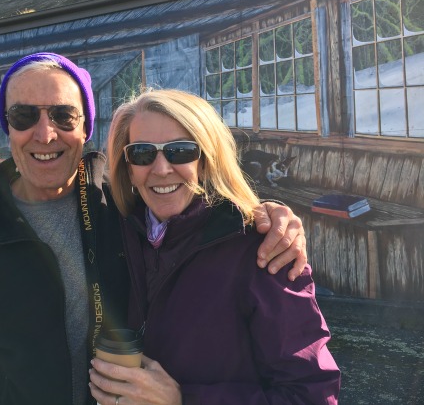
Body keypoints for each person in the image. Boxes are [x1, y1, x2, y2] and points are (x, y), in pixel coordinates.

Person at [0, 53, 308, 405]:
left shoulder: (123, 208)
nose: (45, 134)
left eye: (63, 115)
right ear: (6, 127)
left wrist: (267, 215)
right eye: (24, 116)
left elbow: (200, 217)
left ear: (85, 128)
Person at [89, 89, 340, 405]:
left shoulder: (263, 250)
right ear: (128, 166)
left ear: (207, 160)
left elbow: (312, 396)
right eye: (142, 153)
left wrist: (182, 400)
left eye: (180, 151)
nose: (161, 168)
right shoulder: (121, 231)